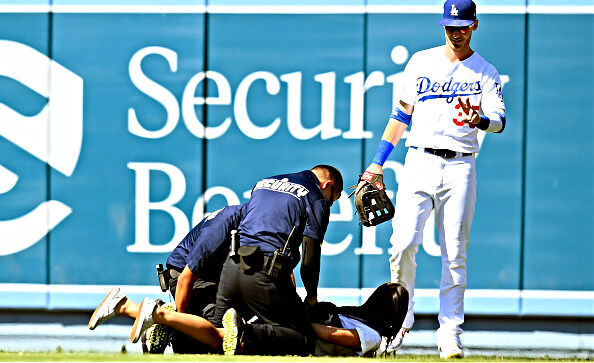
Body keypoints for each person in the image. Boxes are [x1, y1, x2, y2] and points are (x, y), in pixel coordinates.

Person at [360, 0, 506, 359]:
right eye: (449, 27)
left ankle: (450, 332)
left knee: (454, 251)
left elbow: (500, 119)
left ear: (473, 26)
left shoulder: (485, 72)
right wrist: (377, 163)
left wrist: (480, 121)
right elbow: (400, 116)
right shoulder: (421, 62)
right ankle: (398, 322)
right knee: (402, 243)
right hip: (419, 160)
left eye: (461, 26)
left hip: (460, 166)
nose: (454, 33)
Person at [213, 165, 343, 356]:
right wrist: (311, 295)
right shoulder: (316, 197)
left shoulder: (265, 182)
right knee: (304, 338)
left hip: (231, 267)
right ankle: (244, 330)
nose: (328, 204)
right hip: (265, 274)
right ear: (328, 184)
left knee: (216, 335)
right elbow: (310, 257)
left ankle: (171, 324)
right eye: (332, 200)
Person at [88, 203, 247, 353]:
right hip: (184, 278)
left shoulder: (243, 216)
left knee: (217, 334)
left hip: (204, 279)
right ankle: (151, 313)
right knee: (218, 337)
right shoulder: (221, 226)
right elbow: (185, 279)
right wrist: (176, 321)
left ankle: (133, 308)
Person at [125, 282, 408, 356]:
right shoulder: (373, 335)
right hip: (300, 335)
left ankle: (131, 308)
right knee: (223, 339)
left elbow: (336, 333)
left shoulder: (354, 317)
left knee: (218, 337)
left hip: (296, 324)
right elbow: (331, 336)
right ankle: (161, 315)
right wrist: (296, 319)